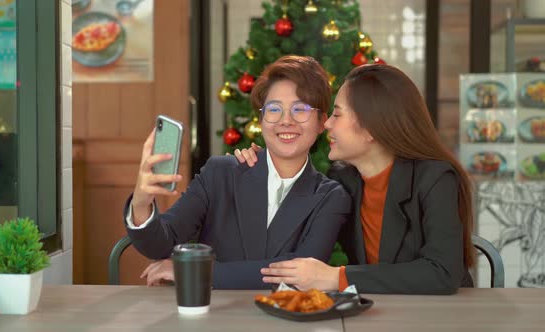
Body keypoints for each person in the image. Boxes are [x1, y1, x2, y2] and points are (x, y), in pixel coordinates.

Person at [234, 64, 475, 294]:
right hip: (378, 314)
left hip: (443, 316)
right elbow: (287, 238)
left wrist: (337, 277)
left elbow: (443, 272)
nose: (327, 123)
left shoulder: (435, 179)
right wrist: (262, 168)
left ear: (371, 128)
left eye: (337, 114)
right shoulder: (342, 180)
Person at [124, 55, 350, 289]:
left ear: (322, 120)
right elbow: (159, 244)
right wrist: (141, 202)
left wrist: (194, 270)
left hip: (286, 320)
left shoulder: (330, 196)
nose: (286, 121)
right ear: (261, 120)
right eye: (274, 109)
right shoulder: (220, 174)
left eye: (300, 109)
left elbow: (301, 273)